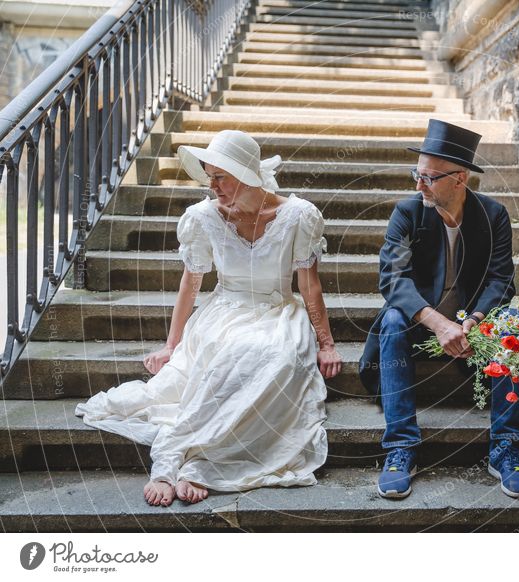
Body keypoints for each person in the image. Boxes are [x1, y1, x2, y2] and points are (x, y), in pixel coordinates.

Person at [76, 130, 342, 507]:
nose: (211, 185)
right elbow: (191, 283)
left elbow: (309, 284)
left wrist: (326, 343)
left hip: (279, 312)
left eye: (221, 176)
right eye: (209, 175)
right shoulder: (201, 217)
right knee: (226, 354)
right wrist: (172, 345)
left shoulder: (299, 215)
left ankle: (203, 464)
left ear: (247, 174)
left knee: (275, 357)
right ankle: (171, 459)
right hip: (224, 311)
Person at [359, 119, 519, 500]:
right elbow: (393, 279)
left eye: (429, 177)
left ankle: (506, 446)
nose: (418, 184)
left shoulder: (494, 216)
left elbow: (501, 281)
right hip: (420, 322)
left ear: (460, 179)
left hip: (473, 323)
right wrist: (439, 324)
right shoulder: (407, 213)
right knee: (392, 318)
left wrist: (473, 323)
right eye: (417, 174)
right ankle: (401, 447)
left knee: (514, 322)